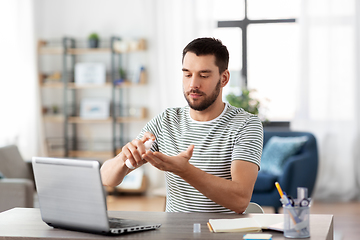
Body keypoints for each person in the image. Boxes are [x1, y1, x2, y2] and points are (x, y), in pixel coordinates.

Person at [101, 37, 263, 214]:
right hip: (175, 232)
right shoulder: (166, 121)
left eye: (204, 75)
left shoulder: (246, 125)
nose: (193, 84)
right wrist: (125, 159)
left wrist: (185, 171)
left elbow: (240, 200)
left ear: (223, 78)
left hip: (223, 233)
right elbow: (106, 178)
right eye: (187, 74)